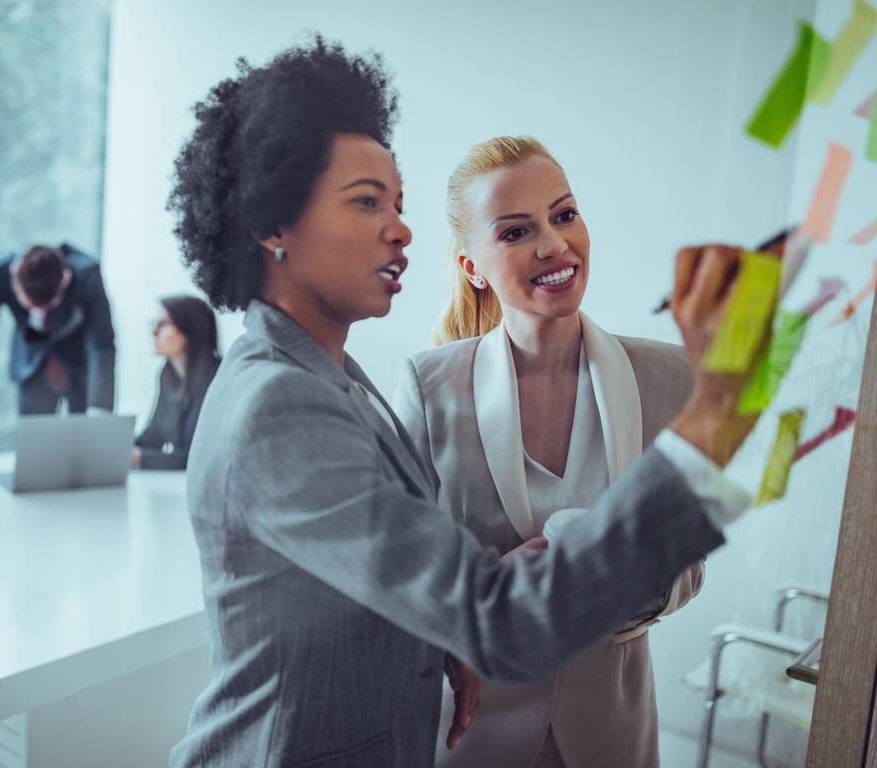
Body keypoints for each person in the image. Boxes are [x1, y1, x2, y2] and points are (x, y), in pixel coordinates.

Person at [167, 38, 759, 767]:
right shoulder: (283, 403)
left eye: (398, 204)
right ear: (273, 226)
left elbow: (396, 578)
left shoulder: (335, 377)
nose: (400, 228)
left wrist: (443, 633)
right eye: (366, 203)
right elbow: (493, 618)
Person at [391, 136, 703, 767]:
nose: (554, 244)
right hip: (473, 734)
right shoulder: (427, 388)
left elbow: (689, 568)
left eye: (564, 215)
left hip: (612, 734)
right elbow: (399, 576)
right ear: (471, 266)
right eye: (514, 232)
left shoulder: (670, 378)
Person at [0, 243, 116, 415]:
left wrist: (100, 407)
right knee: (33, 436)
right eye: (31, 305)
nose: (39, 313)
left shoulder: (87, 273)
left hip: (80, 364)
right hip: (32, 364)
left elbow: (102, 344)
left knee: (85, 435)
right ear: (14, 274)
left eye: (47, 306)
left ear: (66, 278)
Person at [133, 295, 220, 470]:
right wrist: (119, 449)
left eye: (163, 324)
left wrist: (142, 459)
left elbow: (202, 456)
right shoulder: (168, 378)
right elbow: (153, 437)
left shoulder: (219, 378)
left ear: (190, 330)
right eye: (154, 324)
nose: (154, 332)